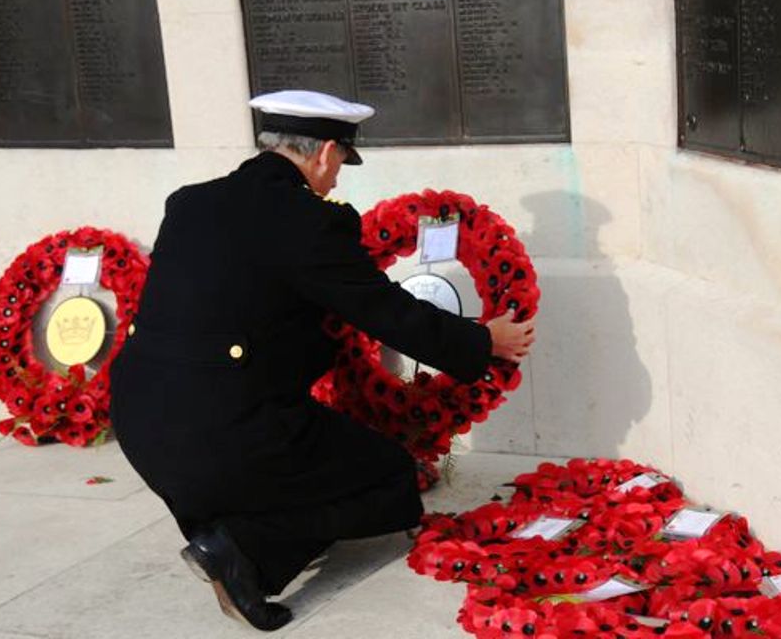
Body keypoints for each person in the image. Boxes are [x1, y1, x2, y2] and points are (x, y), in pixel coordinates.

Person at [109, 90, 535, 631]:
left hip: (143, 426)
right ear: (326, 153)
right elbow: (385, 311)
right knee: (392, 478)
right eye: (341, 165)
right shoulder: (305, 220)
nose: (336, 179)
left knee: (291, 460)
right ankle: (245, 554)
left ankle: (228, 531)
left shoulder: (190, 201)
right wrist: (482, 340)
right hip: (226, 436)